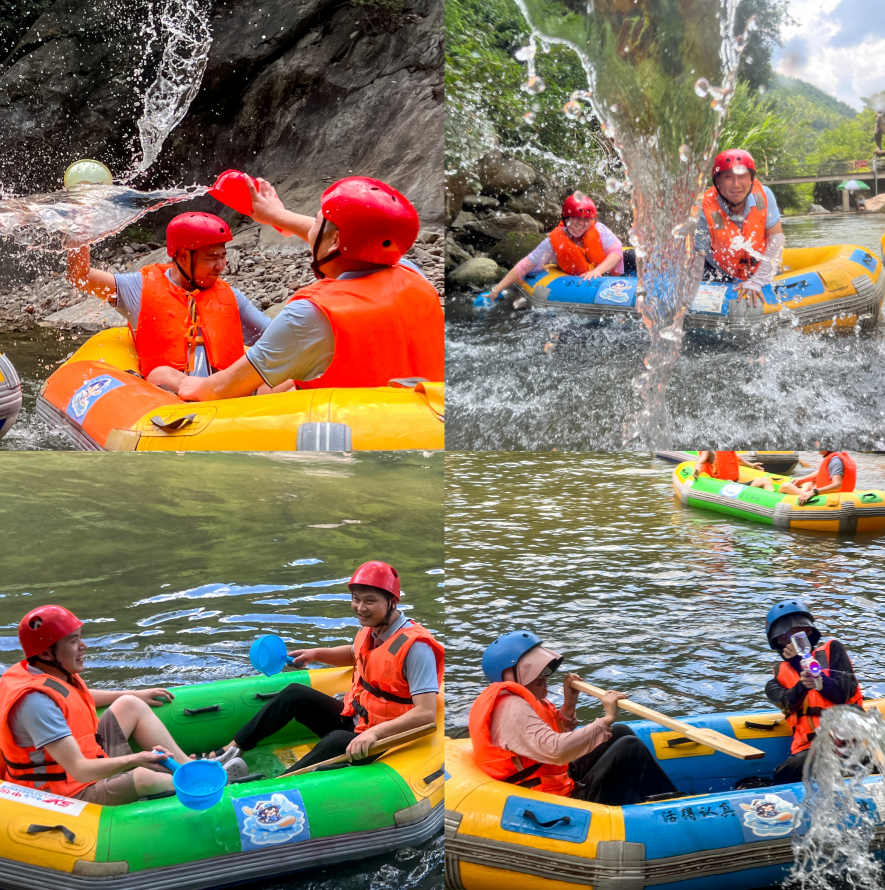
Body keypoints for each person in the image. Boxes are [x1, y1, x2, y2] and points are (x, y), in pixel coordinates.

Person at [177, 177, 444, 401]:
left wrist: (191, 386)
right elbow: (345, 240)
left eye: (317, 221)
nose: (312, 227)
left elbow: (224, 388)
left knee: (265, 386)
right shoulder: (413, 273)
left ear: (335, 240)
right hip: (426, 415)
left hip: (352, 439)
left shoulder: (311, 313)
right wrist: (276, 216)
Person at [0, 605, 246, 805]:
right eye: (73, 641)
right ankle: (210, 788)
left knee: (129, 704)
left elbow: (76, 698)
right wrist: (135, 759)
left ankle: (190, 769)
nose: (84, 647)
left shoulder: (43, 673)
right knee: (142, 776)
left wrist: (136, 693)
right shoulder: (36, 703)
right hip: (64, 794)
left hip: (89, 761)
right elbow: (80, 770)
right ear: (46, 654)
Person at [216, 561, 443, 773]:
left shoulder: (416, 647)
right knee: (295, 693)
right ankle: (230, 753)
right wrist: (315, 654)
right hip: (357, 719)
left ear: (392, 602)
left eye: (370, 601)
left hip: (384, 737)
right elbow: (355, 654)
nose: (360, 608)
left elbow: (425, 713)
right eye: (356, 599)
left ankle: (278, 784)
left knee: (335, 740)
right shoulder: (372, 628)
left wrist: (374, 733)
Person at [65, 212, 275, 395]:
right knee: (161, 374)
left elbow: (275, 337)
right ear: (183, 256)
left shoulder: (231, 296)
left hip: (227, 392)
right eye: (212, 258)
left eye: (223, 257)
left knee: (286, 380)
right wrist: (79, 230)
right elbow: (80, 276)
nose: (221, 266)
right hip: (172, 396)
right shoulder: (139, 287)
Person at [469, 631, 678, 805]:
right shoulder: (512, 708)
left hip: (556, 778)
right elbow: (556, 750)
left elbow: (551, 740)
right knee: (629, 748)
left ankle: (657, 800)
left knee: (620, 733)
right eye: (535, 672)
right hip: (543, 798)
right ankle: (673, 807)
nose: (543, 677)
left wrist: (569, 702)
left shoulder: (523, 699)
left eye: (544, 671)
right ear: (511, 675)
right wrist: (605, 720)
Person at [764, 598, 863, 785]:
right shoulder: (775, 681)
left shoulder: (833, 649)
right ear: (778, 642)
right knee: (790, 769)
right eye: (786, 636)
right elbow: (787, 702)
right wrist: (800, 674)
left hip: (849, 743)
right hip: (809, 751)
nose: (793, 640)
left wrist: (802, 662)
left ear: (809, 632)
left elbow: (841, 694)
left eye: (798, 633)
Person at [487, 193, 624, 300]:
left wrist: (597, 271)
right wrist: (496, 290)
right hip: (584, 284)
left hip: (612, 273)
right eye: (577, 218)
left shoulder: (599, 229)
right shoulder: (552, 243)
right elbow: (525, 265)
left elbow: (617, 252)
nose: (581, 224)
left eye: (586, 219)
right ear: (566, 218)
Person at [694, 149, 785, 308]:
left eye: (742, 176)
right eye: (728, 177)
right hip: (719, 270)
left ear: (751, 179)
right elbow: (697, 256)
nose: (736, 185)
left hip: (757, 266)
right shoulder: (704, 207)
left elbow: (776, 239)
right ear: (718, 182)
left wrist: (757, 281)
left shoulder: (763, 195)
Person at [752, 451, 856, 505]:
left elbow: (837, 485)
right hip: (835, 495)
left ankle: (776, 500)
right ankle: (798, 495)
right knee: (809, 483)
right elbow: (822, 473)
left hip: (829, 499)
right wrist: (802, 480)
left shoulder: (835, 461)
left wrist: (813, 492)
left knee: (786, 486)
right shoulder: (837, 457)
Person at [691, 450, 763, 482]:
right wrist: (697, 471)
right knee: (764, 482)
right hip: (722, 482)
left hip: (734, 481)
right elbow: (700, 463)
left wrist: (752, 465)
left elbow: (737, 458)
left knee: (764, 481)